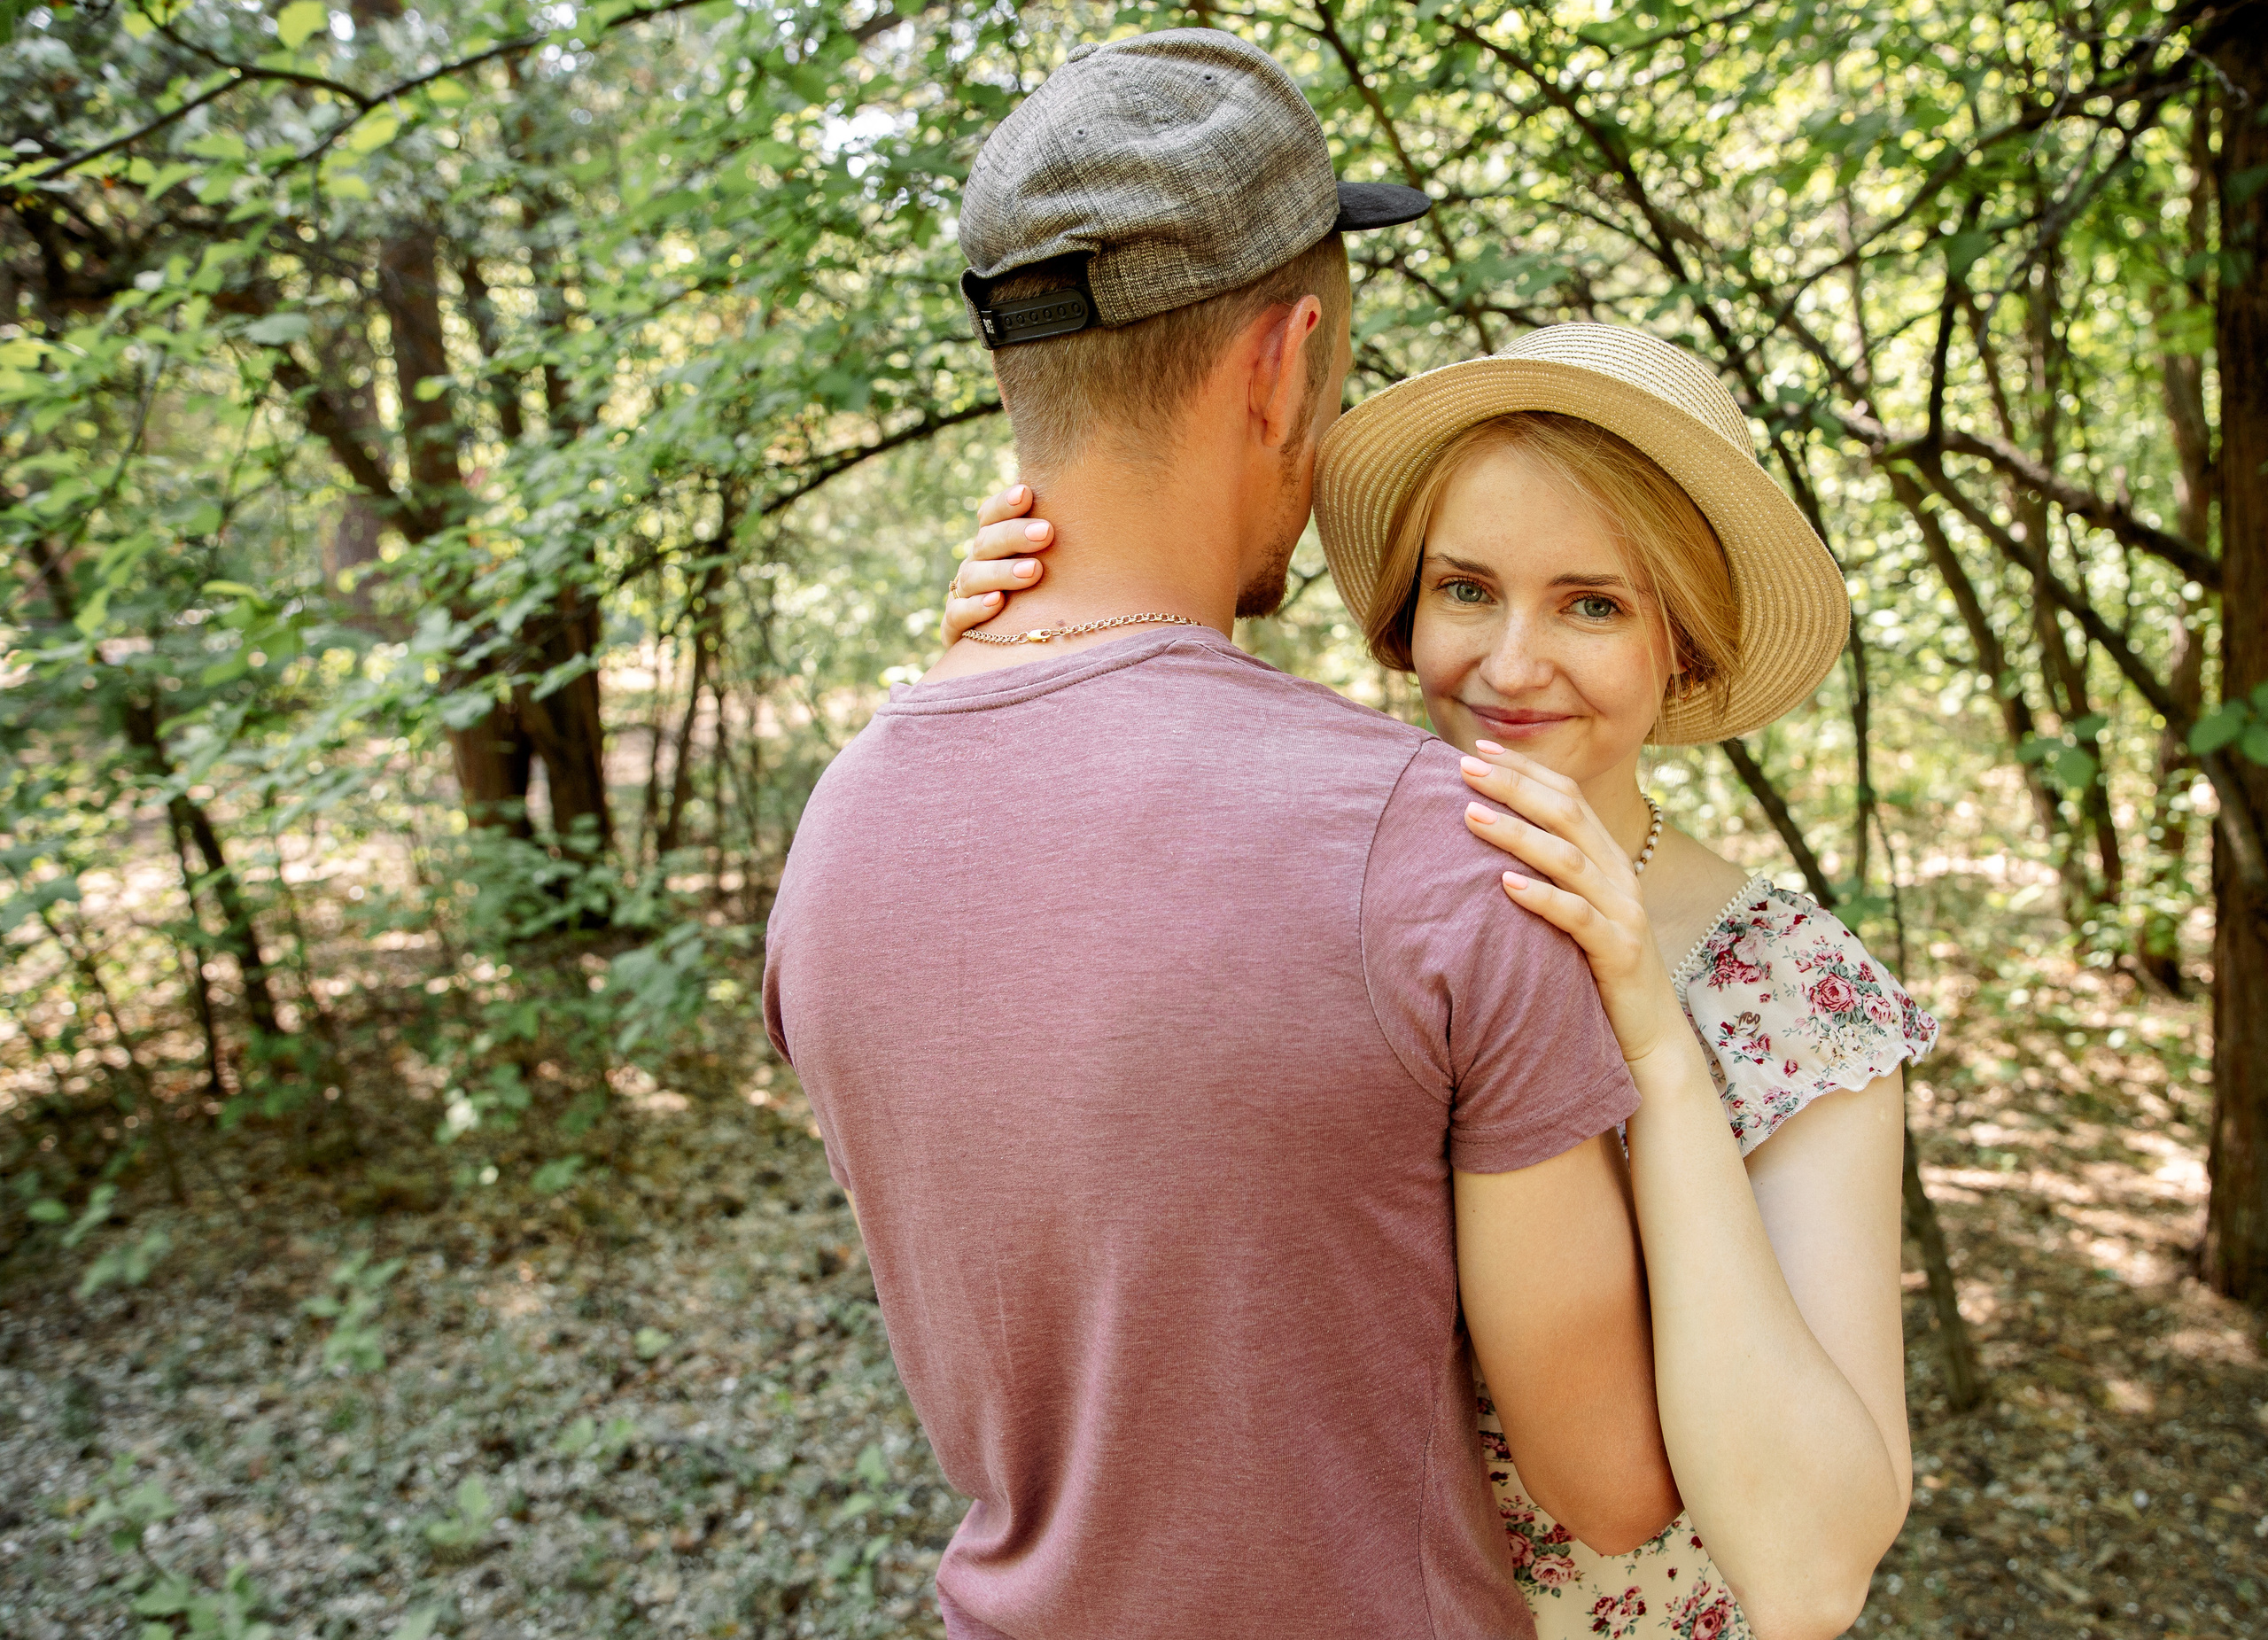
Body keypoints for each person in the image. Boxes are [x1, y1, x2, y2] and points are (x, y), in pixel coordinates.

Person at [762, 31, 1679, 1640]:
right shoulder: (1435, 852)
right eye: (1336, 379)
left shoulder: (836, 838)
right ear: (1281, 362)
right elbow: (1610, 1483)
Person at [943, 325, 1930, 1639]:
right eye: (1468, 590)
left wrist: (1656, 1045)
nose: (1512, 666)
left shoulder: (1796, 995)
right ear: (1403, 614)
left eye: (1595, 603)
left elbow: (1809, 1579)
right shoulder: (1292, 879)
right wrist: (1015, 676)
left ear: (1681, 648)